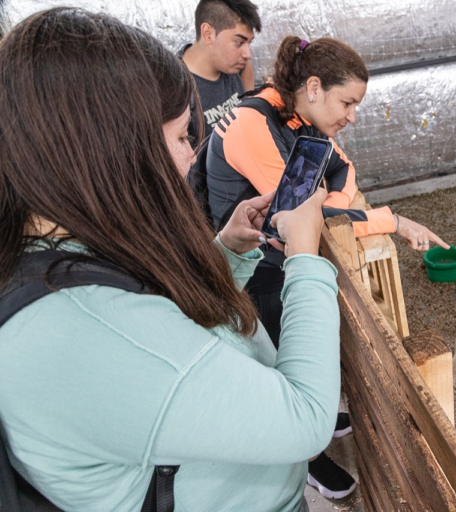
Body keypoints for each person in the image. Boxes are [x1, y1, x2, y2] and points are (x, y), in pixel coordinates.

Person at [0, 8, 340, 512]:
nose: (191, 157)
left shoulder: (64, 249)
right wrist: (307, 258)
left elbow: (164, 323)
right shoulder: (87, 335)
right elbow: (306, 419)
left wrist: (228, 252)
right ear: (114, 150)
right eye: (182, 137)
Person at [205, 35, 449, 499]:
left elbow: (342, 168)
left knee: (297, 339)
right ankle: (304, 458)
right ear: (314, 87)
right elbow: (301, 215)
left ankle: (315, 422)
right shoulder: (255, 124)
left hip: (279, 255)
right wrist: (393, 221)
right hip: (248, 269)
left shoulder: (297, 114)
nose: (352, 116)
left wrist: (330, 201)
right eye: (348, 103)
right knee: (277, 356)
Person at [180, 0, 261, 144]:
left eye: (249, 43)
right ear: (208, 34)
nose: (247, 54)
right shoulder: (177, 86)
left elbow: (249, 117)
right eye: (239, 42)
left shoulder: (240, 67)